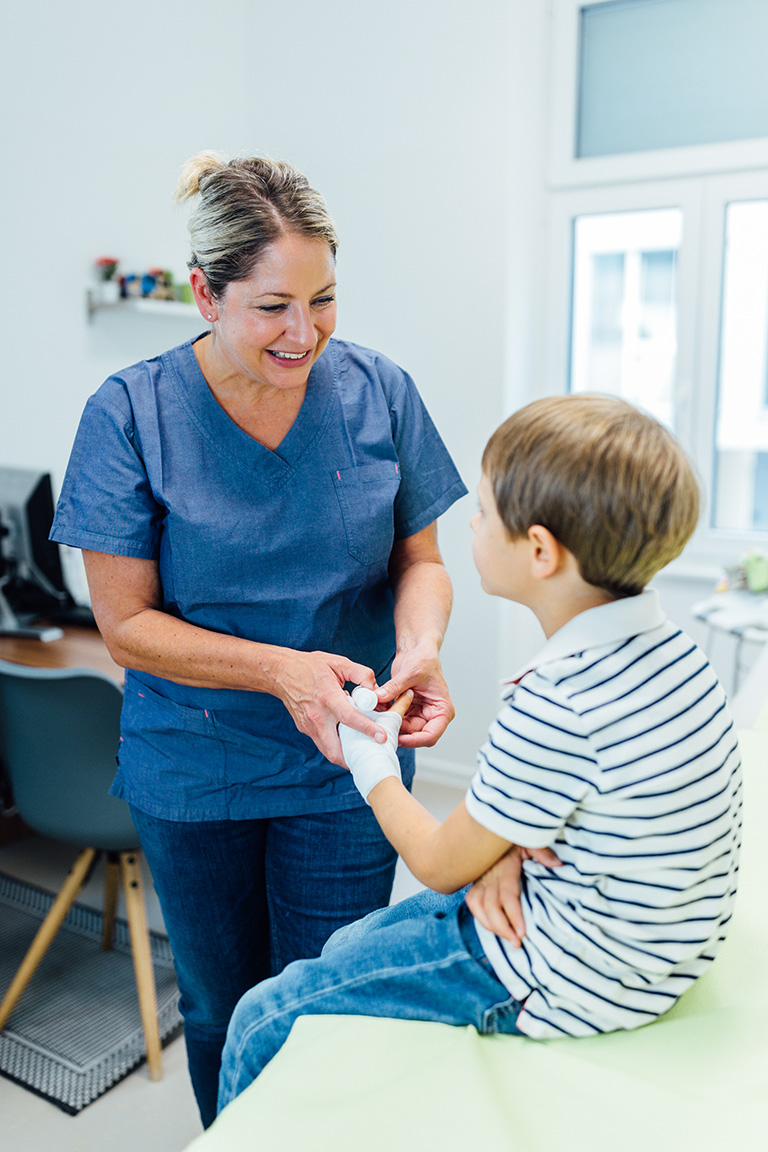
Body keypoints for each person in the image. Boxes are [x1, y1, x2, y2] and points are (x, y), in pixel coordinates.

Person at [50, 151, 467, 1126]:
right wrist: (282, 672)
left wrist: (422, 645)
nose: (305, 331)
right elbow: (124, 626)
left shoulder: (381, 392)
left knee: (334, 1004)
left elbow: (424, 562)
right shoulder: (130, 414)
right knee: (224, 1007)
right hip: (197, 766)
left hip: (349, 761)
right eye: (273, 306)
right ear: (204, 292)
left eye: (324, 299)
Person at [217, 393, 742, 1111]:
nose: (470, 522)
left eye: (485, 511)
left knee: (257, 1021)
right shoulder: (679, 656)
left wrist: (369, 756)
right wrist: (500, 850)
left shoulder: (559, 702)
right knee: (342, 952)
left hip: (565, 979)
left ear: (539, 550)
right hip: (657, 960)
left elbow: (435, 865)